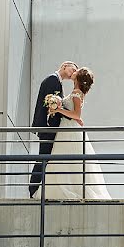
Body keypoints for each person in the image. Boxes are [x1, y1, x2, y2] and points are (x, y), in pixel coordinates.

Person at [36, 67, 111, 200]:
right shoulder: (76, 92)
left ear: (79, 77)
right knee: (63, 159)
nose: (74, 71)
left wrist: (58, 110)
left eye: (77, 71)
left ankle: (69, 189)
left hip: (70, 129)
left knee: (68, 158)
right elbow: (75, 114)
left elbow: (75, 113)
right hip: (66, 127)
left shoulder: (77, 93)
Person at [29, 61, 77, 198]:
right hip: (48, 126)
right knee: (43, 158)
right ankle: (33, 190)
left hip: (49, 127)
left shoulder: (56, 81)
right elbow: (50, 105)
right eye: (72, 69)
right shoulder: (52, 79)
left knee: (45, 157)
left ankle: (36, 189)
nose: (72, 73)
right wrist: (72, 117)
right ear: (64, 66)